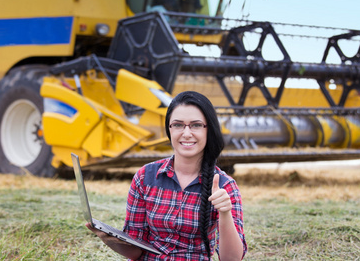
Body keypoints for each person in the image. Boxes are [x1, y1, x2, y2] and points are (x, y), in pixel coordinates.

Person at [87, 91, 247, 260]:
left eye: (196, 125)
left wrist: (225, 212)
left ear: (209, 129)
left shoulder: (225, 186)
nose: (186, 133)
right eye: (178, 125)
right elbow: (134, 251)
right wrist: (107, 237)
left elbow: (232, 259)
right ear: (169, 129)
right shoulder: (144, 177)